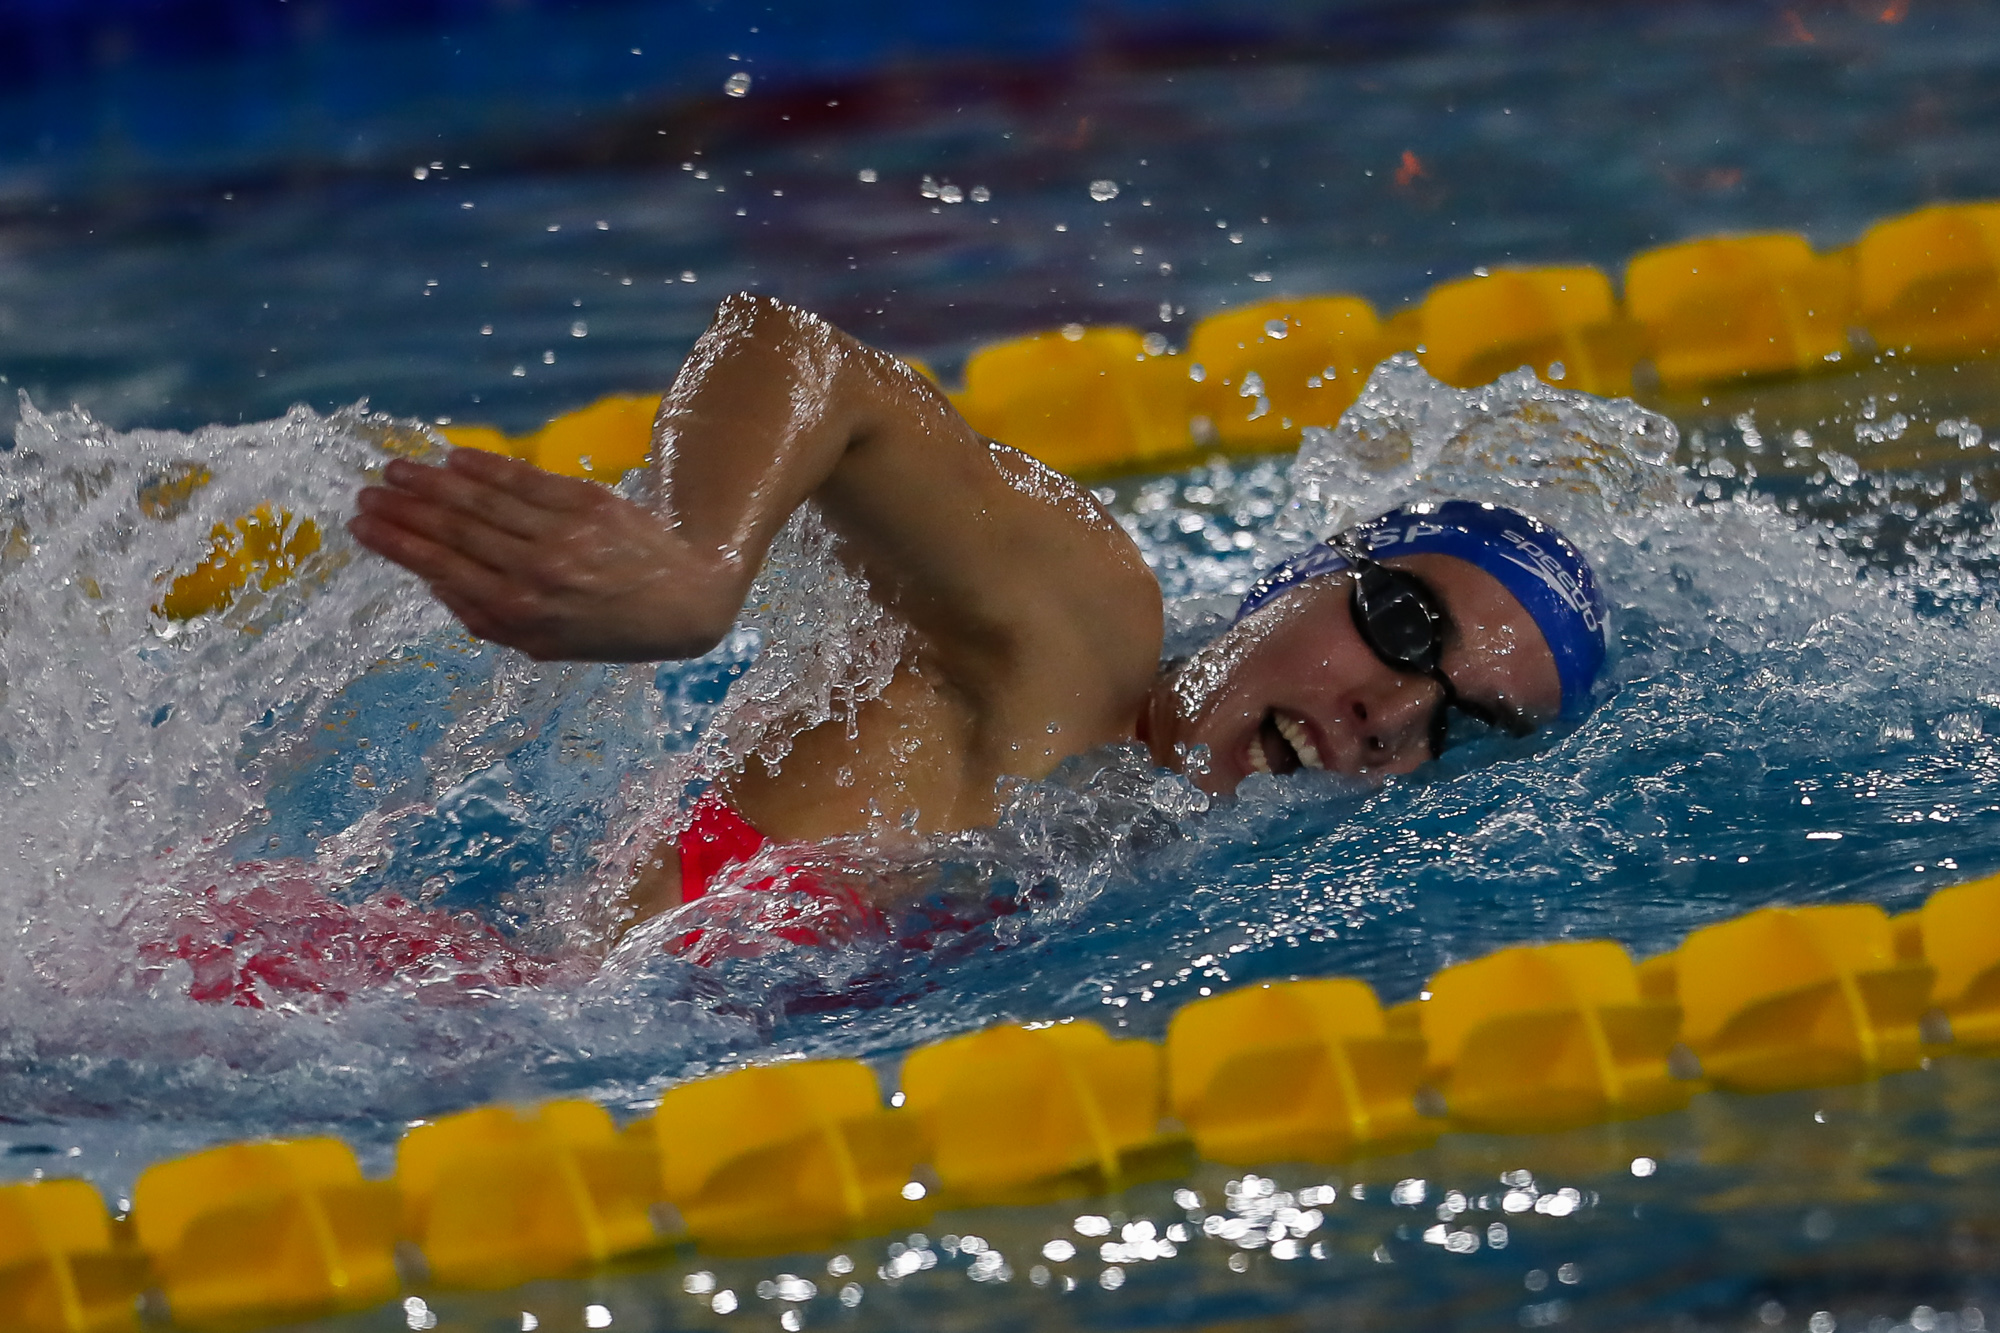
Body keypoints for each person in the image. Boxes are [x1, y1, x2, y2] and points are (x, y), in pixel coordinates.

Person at [348, 294, 1607, 940]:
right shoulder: (1078, 639)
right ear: (1307, 571)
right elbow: (799, 352)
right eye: (1399, 625)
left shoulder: (1161, 855)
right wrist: (691, 569)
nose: (1388, 713)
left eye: (1465, 721)